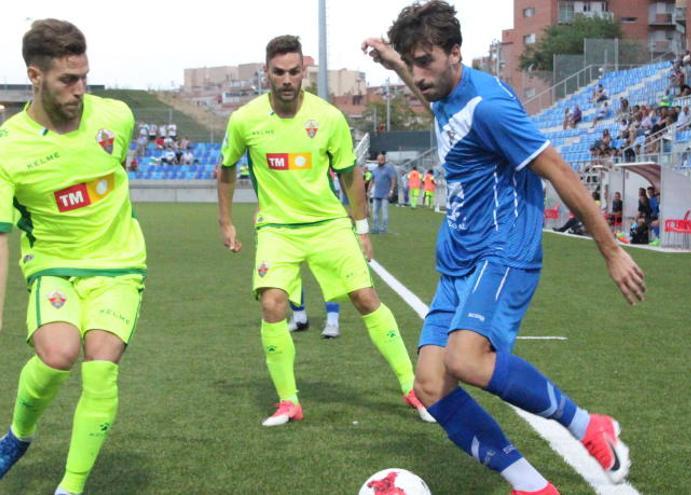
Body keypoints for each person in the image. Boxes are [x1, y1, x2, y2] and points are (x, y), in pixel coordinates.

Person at [363, 3, 646, 494]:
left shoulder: (490, 107)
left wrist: (611, 250)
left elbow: (557, 169)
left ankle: (587, 425)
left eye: (426, 61)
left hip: (502, 251)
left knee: (466, 361)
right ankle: (533, 486)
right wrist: (394, 62)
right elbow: (431, 98)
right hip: (458, 259)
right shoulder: (444, 92)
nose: (420, 74)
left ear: (456, 53)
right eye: (414, 63)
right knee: (430, 386)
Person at [216, 35, 432, 426]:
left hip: (328, 225)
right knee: (272, 304)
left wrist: (361, 228)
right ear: (266, 73)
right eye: (278, 72)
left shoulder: (328, 117)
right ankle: (288, 401)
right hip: (278, 229)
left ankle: (413, 388)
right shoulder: (245, 120)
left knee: (366, 298)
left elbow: (349, 175)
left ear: (304, 73)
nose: (286, 79)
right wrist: (226, 220)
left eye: (294, 72)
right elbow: (227, 169)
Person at [0, 20, 147, 495]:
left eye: (84, 77)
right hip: (53, 267)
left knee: (101, 365)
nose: (79, 89)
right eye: (67, 79)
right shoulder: (8, 148)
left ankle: (71, 487)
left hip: (120, 266)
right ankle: (18, 435)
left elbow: (112, 166)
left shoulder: (116, 117)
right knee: (58, 354)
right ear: (35, 75)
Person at [369, 152, 397, 233]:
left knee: (385, 214)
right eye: (378, 160)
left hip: (385, 195)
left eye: (381, 160)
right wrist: (369, 190)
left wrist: (391, 190)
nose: (379, 161)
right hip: (376, 195)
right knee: (375, 212)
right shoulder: (375, 170)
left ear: (384, 160)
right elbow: (372, 180)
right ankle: (375, 228)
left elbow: (393, 179)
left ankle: (384, 229)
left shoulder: (389, 168)